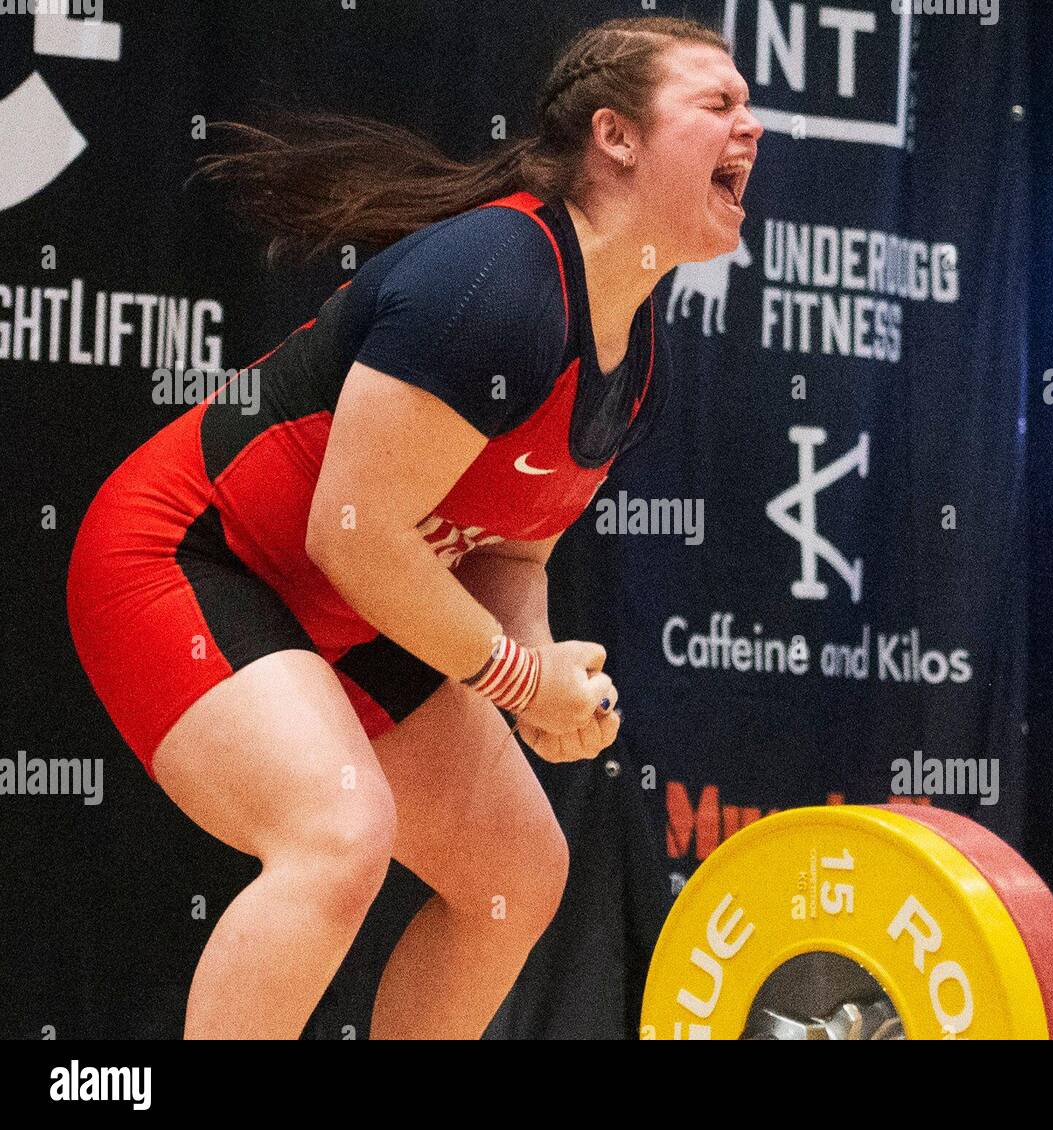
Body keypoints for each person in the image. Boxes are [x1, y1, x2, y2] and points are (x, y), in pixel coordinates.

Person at [65, 14, 761, 1039]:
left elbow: (514, 547)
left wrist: (534, 672)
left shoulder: (635, 357)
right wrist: (519, 680)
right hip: (191, 555)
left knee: (514, 877)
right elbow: (356, 534)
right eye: (720, 104)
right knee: (336, 833)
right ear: (615, 135)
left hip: (349, 607)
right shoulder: (496, 281)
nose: (754, 129)